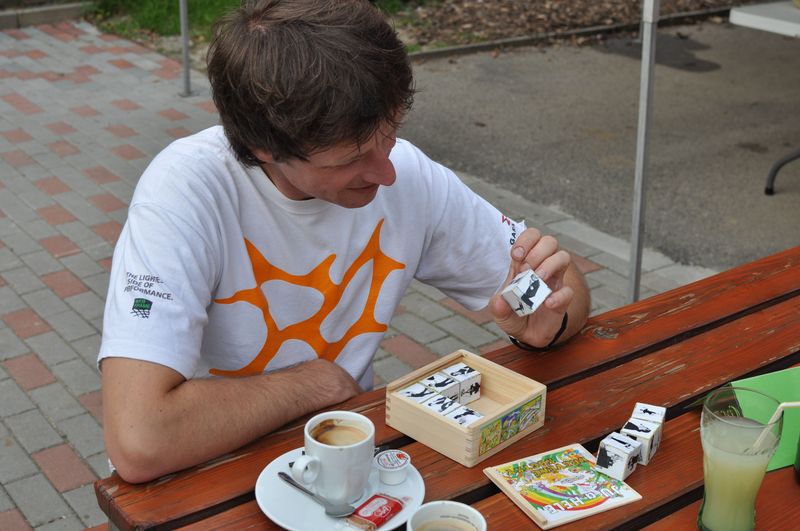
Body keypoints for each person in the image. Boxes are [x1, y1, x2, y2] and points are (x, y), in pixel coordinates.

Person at [99, 0, 590, 484]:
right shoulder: (185, 192)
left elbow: (568, 290)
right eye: (350, 159)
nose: (386, 172)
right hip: (208, 478)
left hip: (349, 465)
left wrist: (548, 321)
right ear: (262, 147)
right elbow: (139, 439)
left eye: (391, 134)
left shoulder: (407, 174)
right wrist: (315, 383)